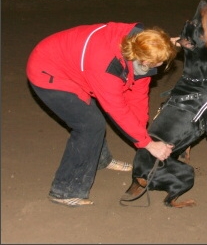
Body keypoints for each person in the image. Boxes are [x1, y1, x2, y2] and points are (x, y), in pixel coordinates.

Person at [26, 21, 178, 207]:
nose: (161, 66)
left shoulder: (140, 42)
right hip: (48, 71)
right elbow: (117, 109)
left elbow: (137, 95)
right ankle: (65, 190)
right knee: (89, 125)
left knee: (93, 120)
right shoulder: (107, 66)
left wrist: (141, 134)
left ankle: (100, 160)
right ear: (144, 60)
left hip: (73, 66)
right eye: (159, 63)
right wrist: (148, 143)